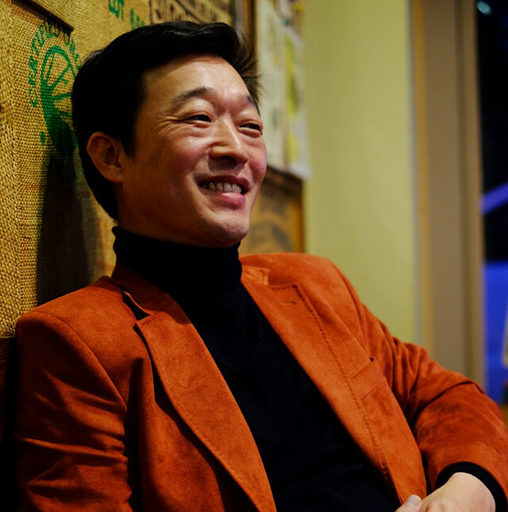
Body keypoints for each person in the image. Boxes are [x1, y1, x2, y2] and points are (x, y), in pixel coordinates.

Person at [15, 21, 508, 512]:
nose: (236, 148)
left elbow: (444, 395)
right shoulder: (77, 343)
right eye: (198, 119)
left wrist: (466, 490)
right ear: (111, 157)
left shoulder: (314, 283)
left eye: (250, 126)